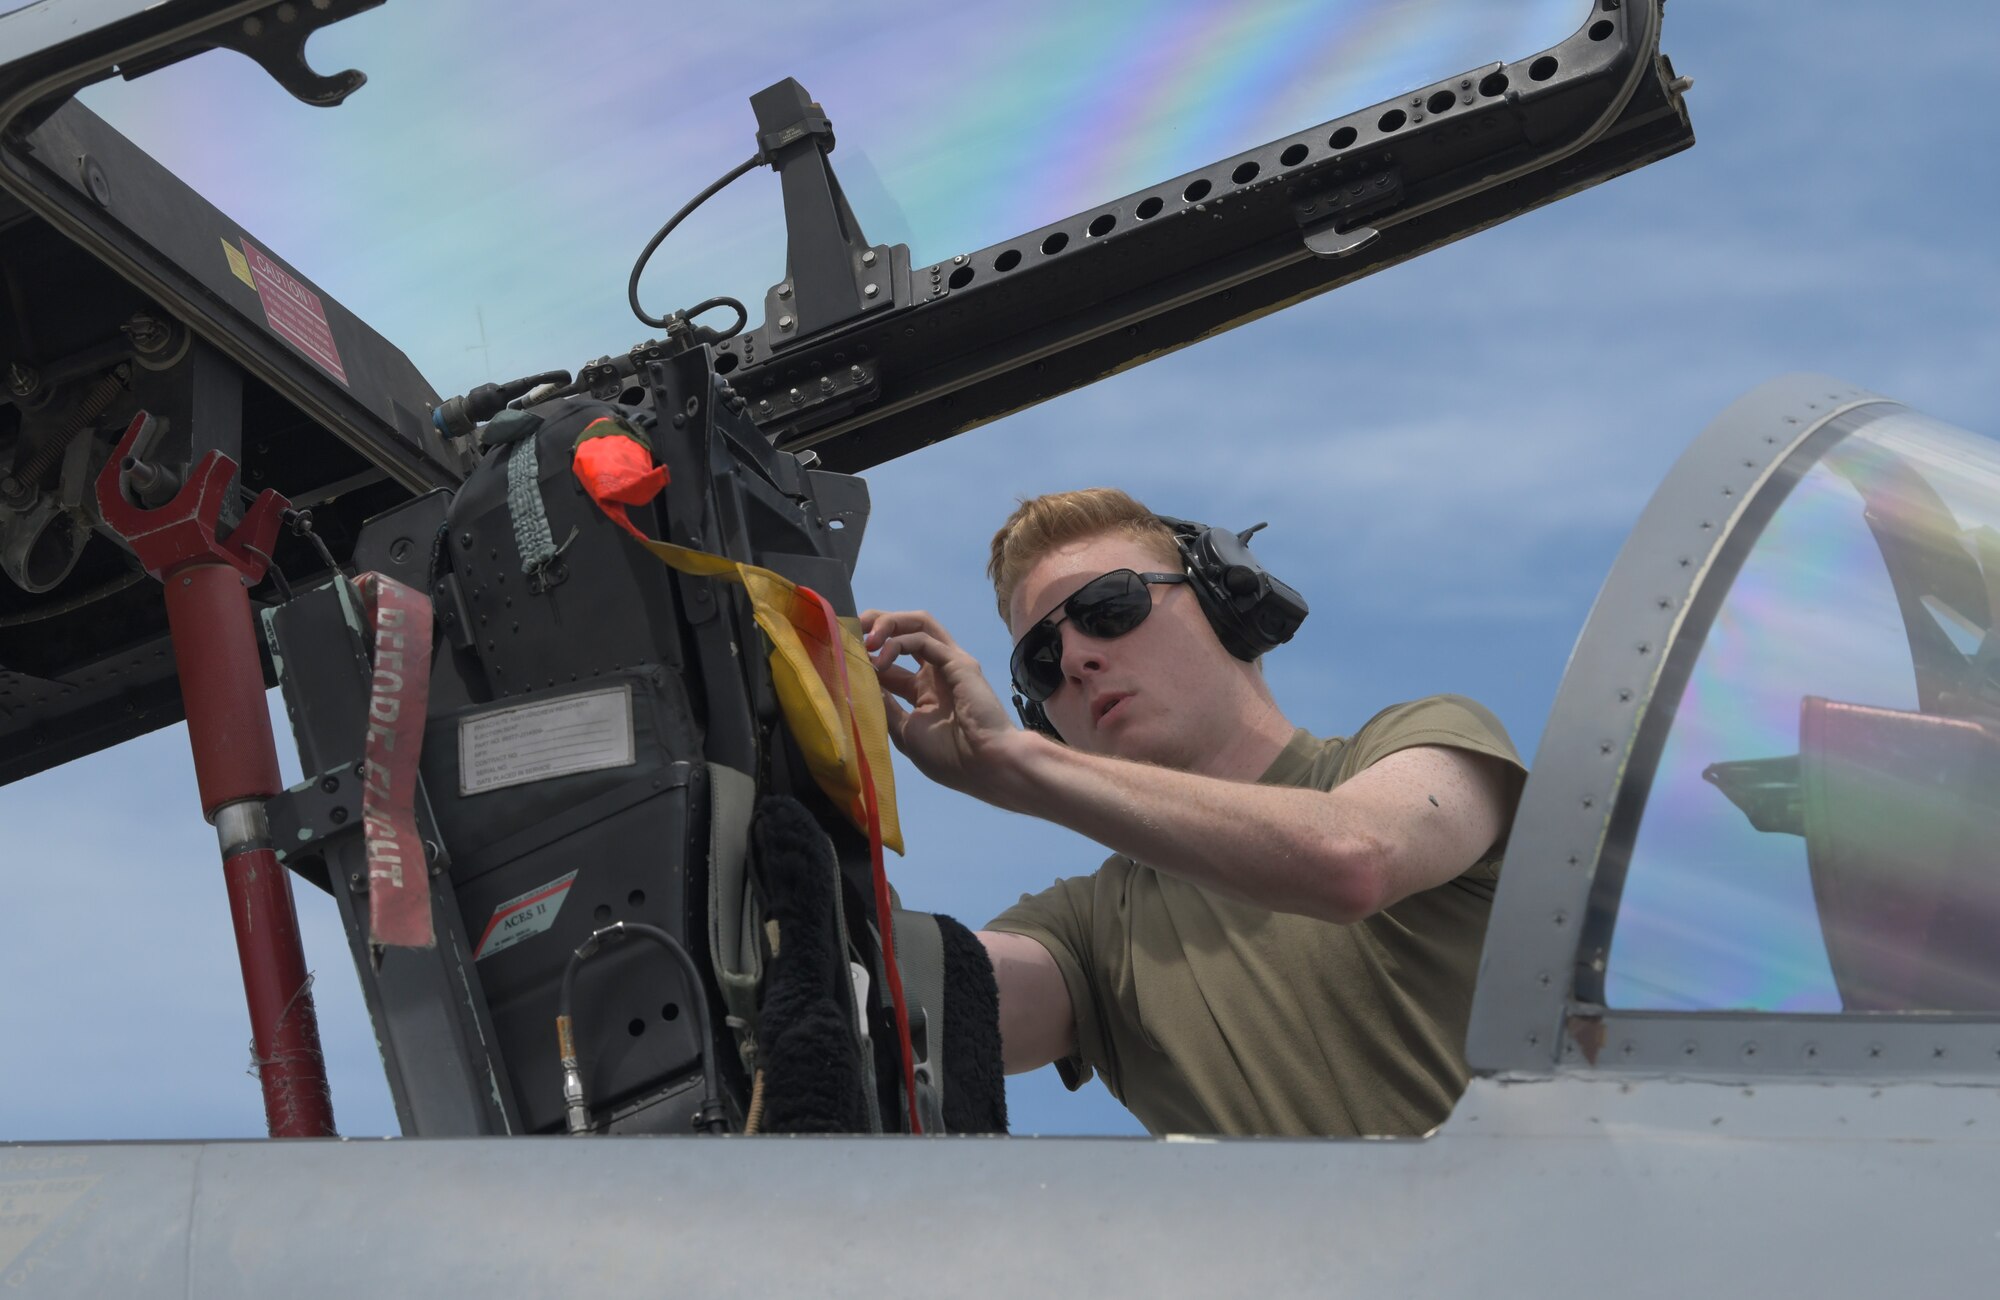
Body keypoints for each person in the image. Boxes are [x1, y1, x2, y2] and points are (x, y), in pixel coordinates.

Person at [859, 488, 1526, 1137]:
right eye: (1040, 662)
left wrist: (1018, 763)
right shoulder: (1090, 930)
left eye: (1109, 606)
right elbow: (902, 1007)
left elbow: (1353, 861)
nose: (1075, 659)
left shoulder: (1425, 738)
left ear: (1221, 600)